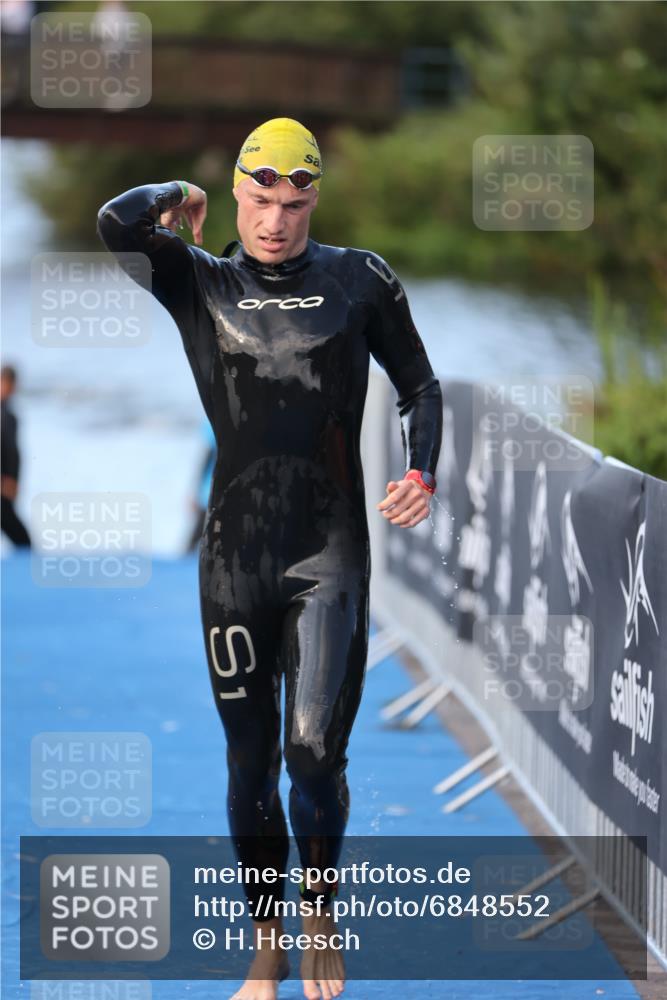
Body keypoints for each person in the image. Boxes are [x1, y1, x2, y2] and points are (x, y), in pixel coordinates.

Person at [97, 117, 442, 1000]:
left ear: (313, 198)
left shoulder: (358, 277)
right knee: (246, 762)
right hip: (232, 562)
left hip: (328, 556)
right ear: (238, 196)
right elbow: (113, 220)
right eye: (259, 199)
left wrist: (423, 470)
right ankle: (266, 941)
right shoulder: (194, 279)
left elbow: (420, 385)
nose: (276, 220)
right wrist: (181, 197)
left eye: (294, 202)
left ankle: (320, 915)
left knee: (313, 751)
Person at [1, 364, 31, 549]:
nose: (10, 388)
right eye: (5, 383)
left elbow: (13, 452)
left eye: (12, 384)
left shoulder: (9, 414)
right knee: (23, 542)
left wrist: (13, 480)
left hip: (7, 486)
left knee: (23, 542)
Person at [186, 418, 216, 553]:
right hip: (209, 491)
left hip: (210, 491)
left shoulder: (213, 420)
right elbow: (205, 461)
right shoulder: (212, 425)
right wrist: (196, 493)